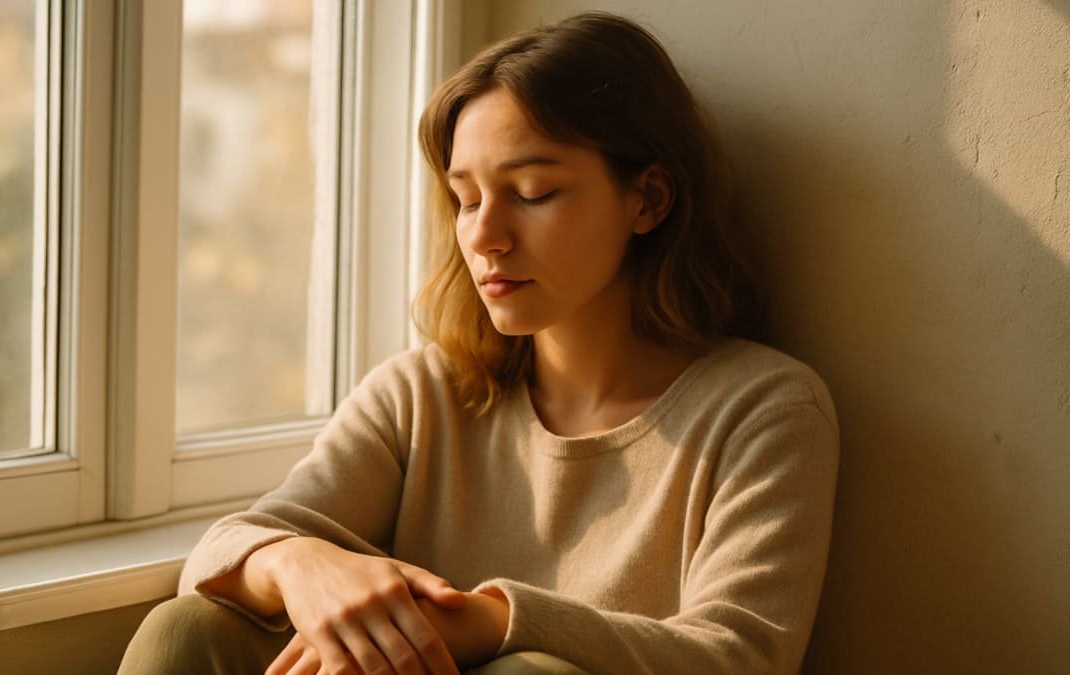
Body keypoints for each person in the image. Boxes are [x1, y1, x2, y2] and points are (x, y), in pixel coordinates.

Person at [119, 11, 839, 675]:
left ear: (647, 199)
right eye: (466, 199)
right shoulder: (422, 393)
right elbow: (217, 555)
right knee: (184, 630)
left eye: (530, 192)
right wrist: (304, 561)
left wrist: (493, 622)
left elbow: (741, 656)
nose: (486, 237)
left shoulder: (766, 407)